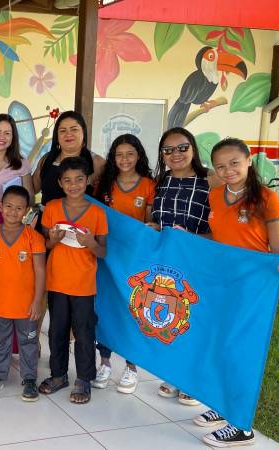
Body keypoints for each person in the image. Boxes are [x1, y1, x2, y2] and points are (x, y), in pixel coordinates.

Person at [196, 138, 279, 448]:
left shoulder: (266, 199)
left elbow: (278, 247)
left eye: (234, 163)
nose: (228, 170)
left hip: (252, 287)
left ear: (249, 161)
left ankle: (242, 426)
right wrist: (184, 236)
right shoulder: (215, 196)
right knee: (220, 345)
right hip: (221, 282)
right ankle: (224, 405)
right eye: (220, 166)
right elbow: (218, 236)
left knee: (242, 351)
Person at [147, 127, 221, 405]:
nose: (175, 154)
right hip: (168, 263)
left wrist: (193, 238)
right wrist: (155, 226)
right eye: (168, 150)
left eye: (182, 147)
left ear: (193, 149)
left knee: (198, 319)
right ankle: (176, 375)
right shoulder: (161, 181)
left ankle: (194, 380)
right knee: (177, 318)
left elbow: (221, 227)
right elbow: (159, 218)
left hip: (200, 259)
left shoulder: (210, 181)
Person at [38, 157, 108, 404]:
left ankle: (84, 379)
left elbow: (102, 252)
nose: (74, 185)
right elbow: (46, 244)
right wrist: (54, 239)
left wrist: (90, 244)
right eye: (67, 180)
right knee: (56, 330)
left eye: (79, 179)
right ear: (60, 183)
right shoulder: (52, 208)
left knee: (83, 332)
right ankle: (58, 375)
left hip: (83, 284)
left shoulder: (98, 212)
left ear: (88, 180)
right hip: (56, 281)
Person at [90, 134, 155, 394]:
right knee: (105, 309)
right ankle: (104, 362)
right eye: (119, 154)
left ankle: (131, 366)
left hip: (134, 260)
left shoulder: (150, 185)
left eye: (130, 154)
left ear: (138, 155)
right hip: (106, 257)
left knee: (133, 310)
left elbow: (150, 224)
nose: (124, 159)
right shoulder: (105, 185)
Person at [0, 186, 46, 402]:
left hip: (27, 306)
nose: (13, 212)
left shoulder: (33, 238)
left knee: (28, 342)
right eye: (8, 206)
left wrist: (38, 301)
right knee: (0, 341)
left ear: (26, 210)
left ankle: (29, 379)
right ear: (0, 206)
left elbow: (40, 270)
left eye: (19, 208)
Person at [33, 111, 105, 206]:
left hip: (83, 219)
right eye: (63, 131)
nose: (68, 134)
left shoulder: (96, 162)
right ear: (57, 135)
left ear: (83, 132)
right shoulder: (47, 159)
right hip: (47, 219)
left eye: (74, 129)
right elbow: (32, 188)